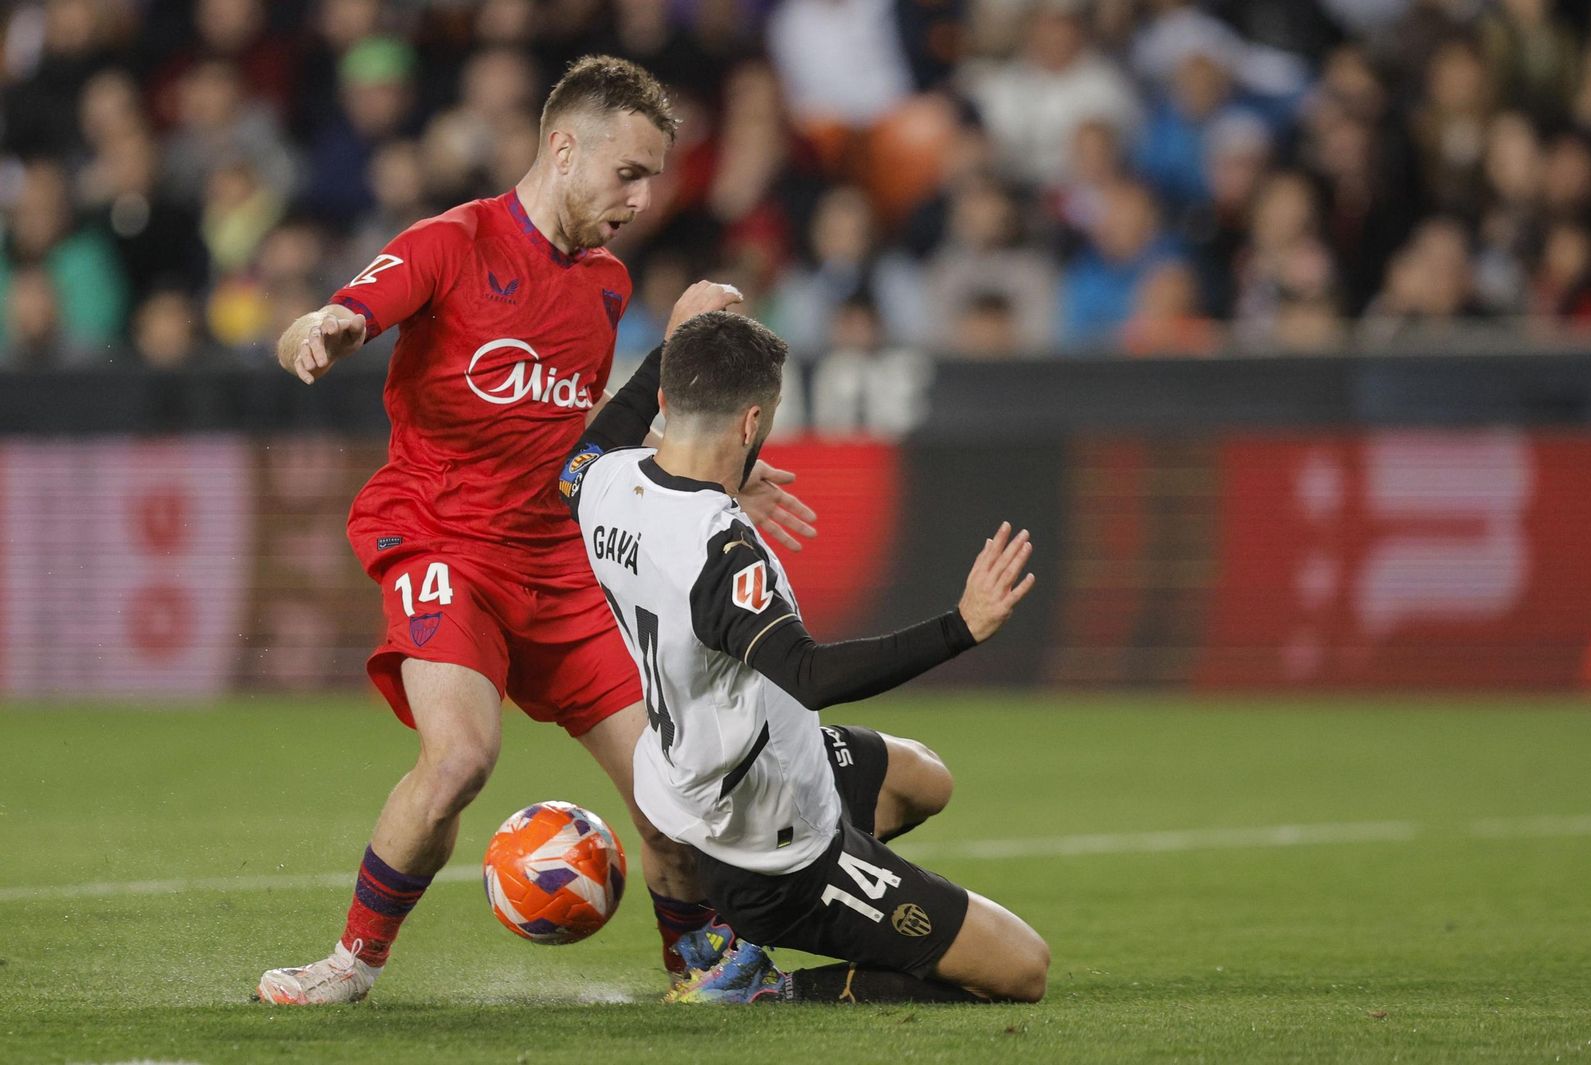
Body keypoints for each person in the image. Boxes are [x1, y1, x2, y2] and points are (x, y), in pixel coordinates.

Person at [256, 56, 816, 1006]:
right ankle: (348, 965)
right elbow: (340, 312)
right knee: (462, 758)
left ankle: (698, 969)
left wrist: (718, 469)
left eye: (653, 177)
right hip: (443, 545)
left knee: (673, 787)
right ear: (564, 150)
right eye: (628, 173)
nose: (642, 198)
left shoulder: (604, 285)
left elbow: (583, 428)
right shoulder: (453, 240)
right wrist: (323, 331)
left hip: (559, 567)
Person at [559, 311, 1050, 1003]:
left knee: (926, 779)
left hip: (693, 781)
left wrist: (670, 346)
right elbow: (810, 672)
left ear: (666, 403)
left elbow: (577, 461)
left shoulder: (607, 485)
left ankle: (733, 930)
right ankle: (769, 985)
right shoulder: (720, 552)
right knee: (1022, 968)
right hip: (770, 847)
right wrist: (960, 627)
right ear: (752, 423)